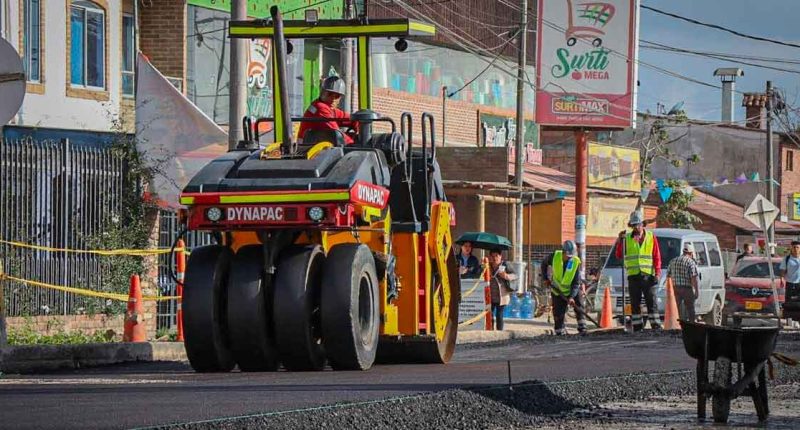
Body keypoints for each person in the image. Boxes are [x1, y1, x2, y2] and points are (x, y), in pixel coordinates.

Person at [615, 211, 662, 331]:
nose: (636, 227)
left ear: (642, 224)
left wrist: (657, 273)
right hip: (633, 276)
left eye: (638, 224)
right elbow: (619, 255)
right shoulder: (627, 239)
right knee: (635, 304)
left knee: (651, 302)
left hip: (647, 276)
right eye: (634, 225)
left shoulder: (651, 237)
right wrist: (620, 241)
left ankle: (655, 325)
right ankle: (637, 327)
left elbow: (656, 256)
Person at [542, 240, 585, 335]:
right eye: (567, 256)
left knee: (579, 306)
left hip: (571, 289)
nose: (569, 258)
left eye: (571, 256)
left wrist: (571, 297)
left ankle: (582, 327)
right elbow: (544, 264)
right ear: (563, 252)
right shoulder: (554, 256)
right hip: (557, 290)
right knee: (558, 313)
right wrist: (545, 278)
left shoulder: (575, 262)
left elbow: (576, 282)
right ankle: (559, 330)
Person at [297, 76, 354, 144]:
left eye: (337, 96)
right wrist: (353, 144)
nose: (333, 99)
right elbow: (336, 133)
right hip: (307, 148)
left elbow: (351, 118)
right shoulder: (320, 107)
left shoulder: (330, 109)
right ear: (322, 92)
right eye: (329, 94)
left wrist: (358, 123)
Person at [667, 243, 699, 322]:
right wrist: (696, 291)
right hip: (687, 289)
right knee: (690, 309)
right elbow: (694, 277)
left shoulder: (673, 261)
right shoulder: (691, 262)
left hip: (675, 288)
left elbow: (668, 276)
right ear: (691, 253)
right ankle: (692, 325)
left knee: (675, 309)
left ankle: (675, 325)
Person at [488, 249, 517, 331]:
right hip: (490, 295)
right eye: (493, 256)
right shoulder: (487, 266)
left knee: (499, 314)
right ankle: (490, 330)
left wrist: (506, 276)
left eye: (496, 256)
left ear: (500, 256)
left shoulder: (505, 265)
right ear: (490, 257)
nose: (495, 258)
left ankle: (499, 331)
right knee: (489, 314)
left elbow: (515, 275)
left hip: (502, 295)